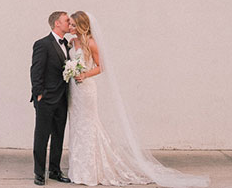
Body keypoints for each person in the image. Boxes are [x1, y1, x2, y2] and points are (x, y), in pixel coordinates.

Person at [66, 11, 209, 187]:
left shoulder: (91, 43)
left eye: (73, 25)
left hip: (86, 89)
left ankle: (90, 171)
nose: (70, 27)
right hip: (75, 91)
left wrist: (85, 74)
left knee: (88, 126)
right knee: (76, 126)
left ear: (81, 25)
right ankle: (78, 169)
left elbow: (101, 66)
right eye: (69, 24)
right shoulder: (73, 42)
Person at [30, 11, 73, 186]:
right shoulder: (42, 44)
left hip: (63, 98)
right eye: (66, 20)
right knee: (42, 136)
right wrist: (38, 93)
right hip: (46, 99)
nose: (69, 23)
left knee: (58, 135)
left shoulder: (68, 45)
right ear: (57, 23)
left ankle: (55, 170)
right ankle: (39, 173)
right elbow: (36, 70)